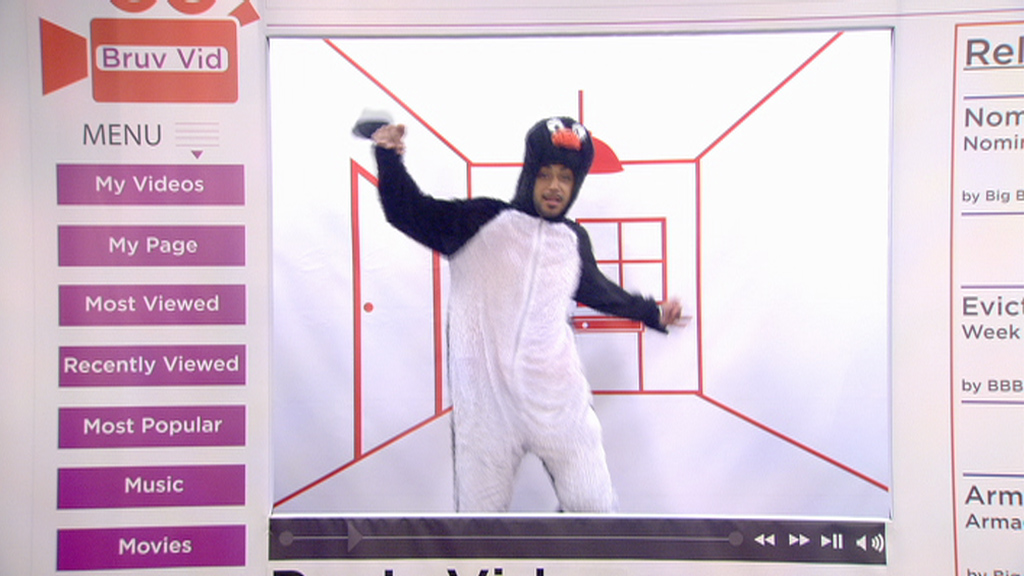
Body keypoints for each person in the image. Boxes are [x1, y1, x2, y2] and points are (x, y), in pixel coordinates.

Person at [368, 116, 687, 513]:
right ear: (530, 173)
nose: (555, 187)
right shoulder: (480, 221)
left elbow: (600, 291)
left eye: (566, 178)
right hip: (487, 412)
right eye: (546, 174)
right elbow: (407, 211)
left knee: (594, 508)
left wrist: (652, 312)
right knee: (479, 525)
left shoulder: (572, 240)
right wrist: (388, 156)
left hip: (560, 404)